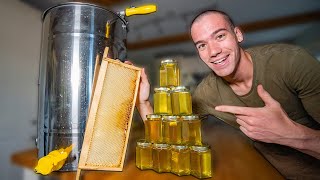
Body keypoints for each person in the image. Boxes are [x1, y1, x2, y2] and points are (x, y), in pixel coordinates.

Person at [134, 10, 320, 179]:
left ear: (237, 34)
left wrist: (290, 134)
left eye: (220, 36)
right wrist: (143, 102)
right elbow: (169, 140)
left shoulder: (291, 62)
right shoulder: (206, 93)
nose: (213, 52)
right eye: (202, 45)